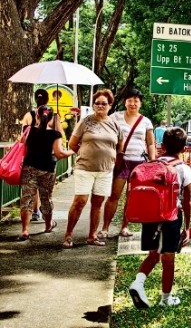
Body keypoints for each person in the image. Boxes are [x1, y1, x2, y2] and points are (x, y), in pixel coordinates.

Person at [128, 127, 191, 308]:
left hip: (149, 215)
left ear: (162, 146)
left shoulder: (152, 165)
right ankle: (166, 299)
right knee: (168, 259)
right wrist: (187, 228)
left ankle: (138, 283)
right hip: (171, 218)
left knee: (153, 255)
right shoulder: (183, 169)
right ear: (184, 148)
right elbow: (187, 202)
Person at [62, 89, 123, 248]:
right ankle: (68, 234)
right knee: (80, 201)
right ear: (93, 105)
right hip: (85, 168)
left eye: (104, 103)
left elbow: (120, 146)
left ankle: (92, 236)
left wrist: (113, 158)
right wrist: (84, 154)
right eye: (97, 103)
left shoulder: (114, 124)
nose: (100, 106)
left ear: (110, 105)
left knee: (98, 202)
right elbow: (73, 144)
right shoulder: (85, 121)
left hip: (105, 171)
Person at [98, 88, 156, 239]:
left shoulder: (145, 121)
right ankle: (105, 228)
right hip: (121, 162)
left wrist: (152, 162)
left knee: (132, 197)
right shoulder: (115, 117)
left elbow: (150, 144)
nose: (133, 103)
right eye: (130, 100)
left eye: (136, 101)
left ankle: (125, 226)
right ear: (125, 102)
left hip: (139, 163)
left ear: (140, 104)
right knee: (114, 195)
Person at [17, 105, 75, 241]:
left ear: (36, 115)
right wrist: (73, 151)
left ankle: (25, 230)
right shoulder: (55, 134)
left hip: (29, 168)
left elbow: (21, 143)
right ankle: (48, 225)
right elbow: (60, 153)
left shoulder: (28, 129)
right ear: (51, 118)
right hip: (47, 170)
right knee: (46, 198)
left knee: (27, 198)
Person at [20, 88, 64, 221]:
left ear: (35, 99)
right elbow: (60, 134)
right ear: (48, 99)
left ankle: (34, 211)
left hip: (31, 156)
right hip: (48, 158)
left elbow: (22, 137)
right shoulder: (54, 116)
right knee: (45, 190)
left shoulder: (29, 115)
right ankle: (46, 219)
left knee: (29, 190)